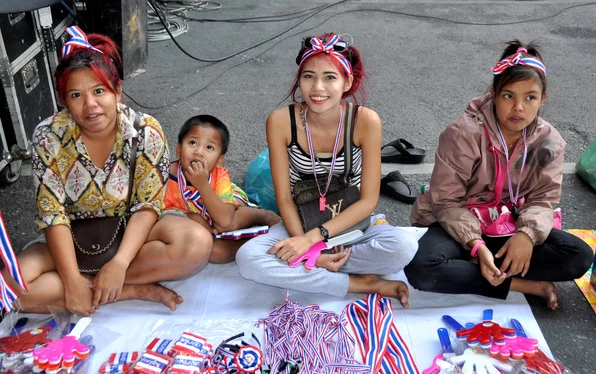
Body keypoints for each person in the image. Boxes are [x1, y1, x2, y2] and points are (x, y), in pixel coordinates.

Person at [6, 27, 213, 316]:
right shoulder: (48, 136)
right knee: (7, 290)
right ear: (64, 101)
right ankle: (130, 290)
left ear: (117, 90)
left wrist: (119, 264)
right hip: (70, 242)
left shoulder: (145, 131)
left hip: (131, 236)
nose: (90, 105)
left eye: (99, 91)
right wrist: (71, 280)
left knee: (196, 244)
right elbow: (52, 214)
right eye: (76, 95)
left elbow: (147, 205)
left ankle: (102, 284)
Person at [406, 40, 594, 310]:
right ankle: (520, 283)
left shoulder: (549, 141)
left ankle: (472, 268)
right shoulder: (464, 133)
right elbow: (446, 201)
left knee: (579, 256)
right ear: (494, 93)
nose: (519, 107)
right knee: (422, 267)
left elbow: (543, 198)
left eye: (530, 97)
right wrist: (476, 246)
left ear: (543, 98)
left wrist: (526, 236)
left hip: (508, 225)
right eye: (509, 96)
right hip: (455, 224)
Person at [236, 33, 419, 306]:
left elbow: (368, 200)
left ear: (347, 82)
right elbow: (284, 197)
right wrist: (304, 243)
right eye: (308, 76)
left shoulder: (365, 121)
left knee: (404, 248)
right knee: (248, 260)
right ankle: (359, 282)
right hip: (300, 222)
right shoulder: (281, 121)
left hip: (351, 223)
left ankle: (312, 267)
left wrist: (314, 242)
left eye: (330, 77)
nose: (317, 87)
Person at [164, 114, 281, 263]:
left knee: (227, 225)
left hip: (227, 207)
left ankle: (262, 215)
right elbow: (165, 217)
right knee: (215, 254)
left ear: (219, 160)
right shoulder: (164, 178)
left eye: (209, 147)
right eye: (192, 143)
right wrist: (194, 218)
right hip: (197, 215)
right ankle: (254, 242)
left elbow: (225, 219)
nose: (198, 152)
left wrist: (202, 185)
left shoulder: (218, 174)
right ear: (179, 149)